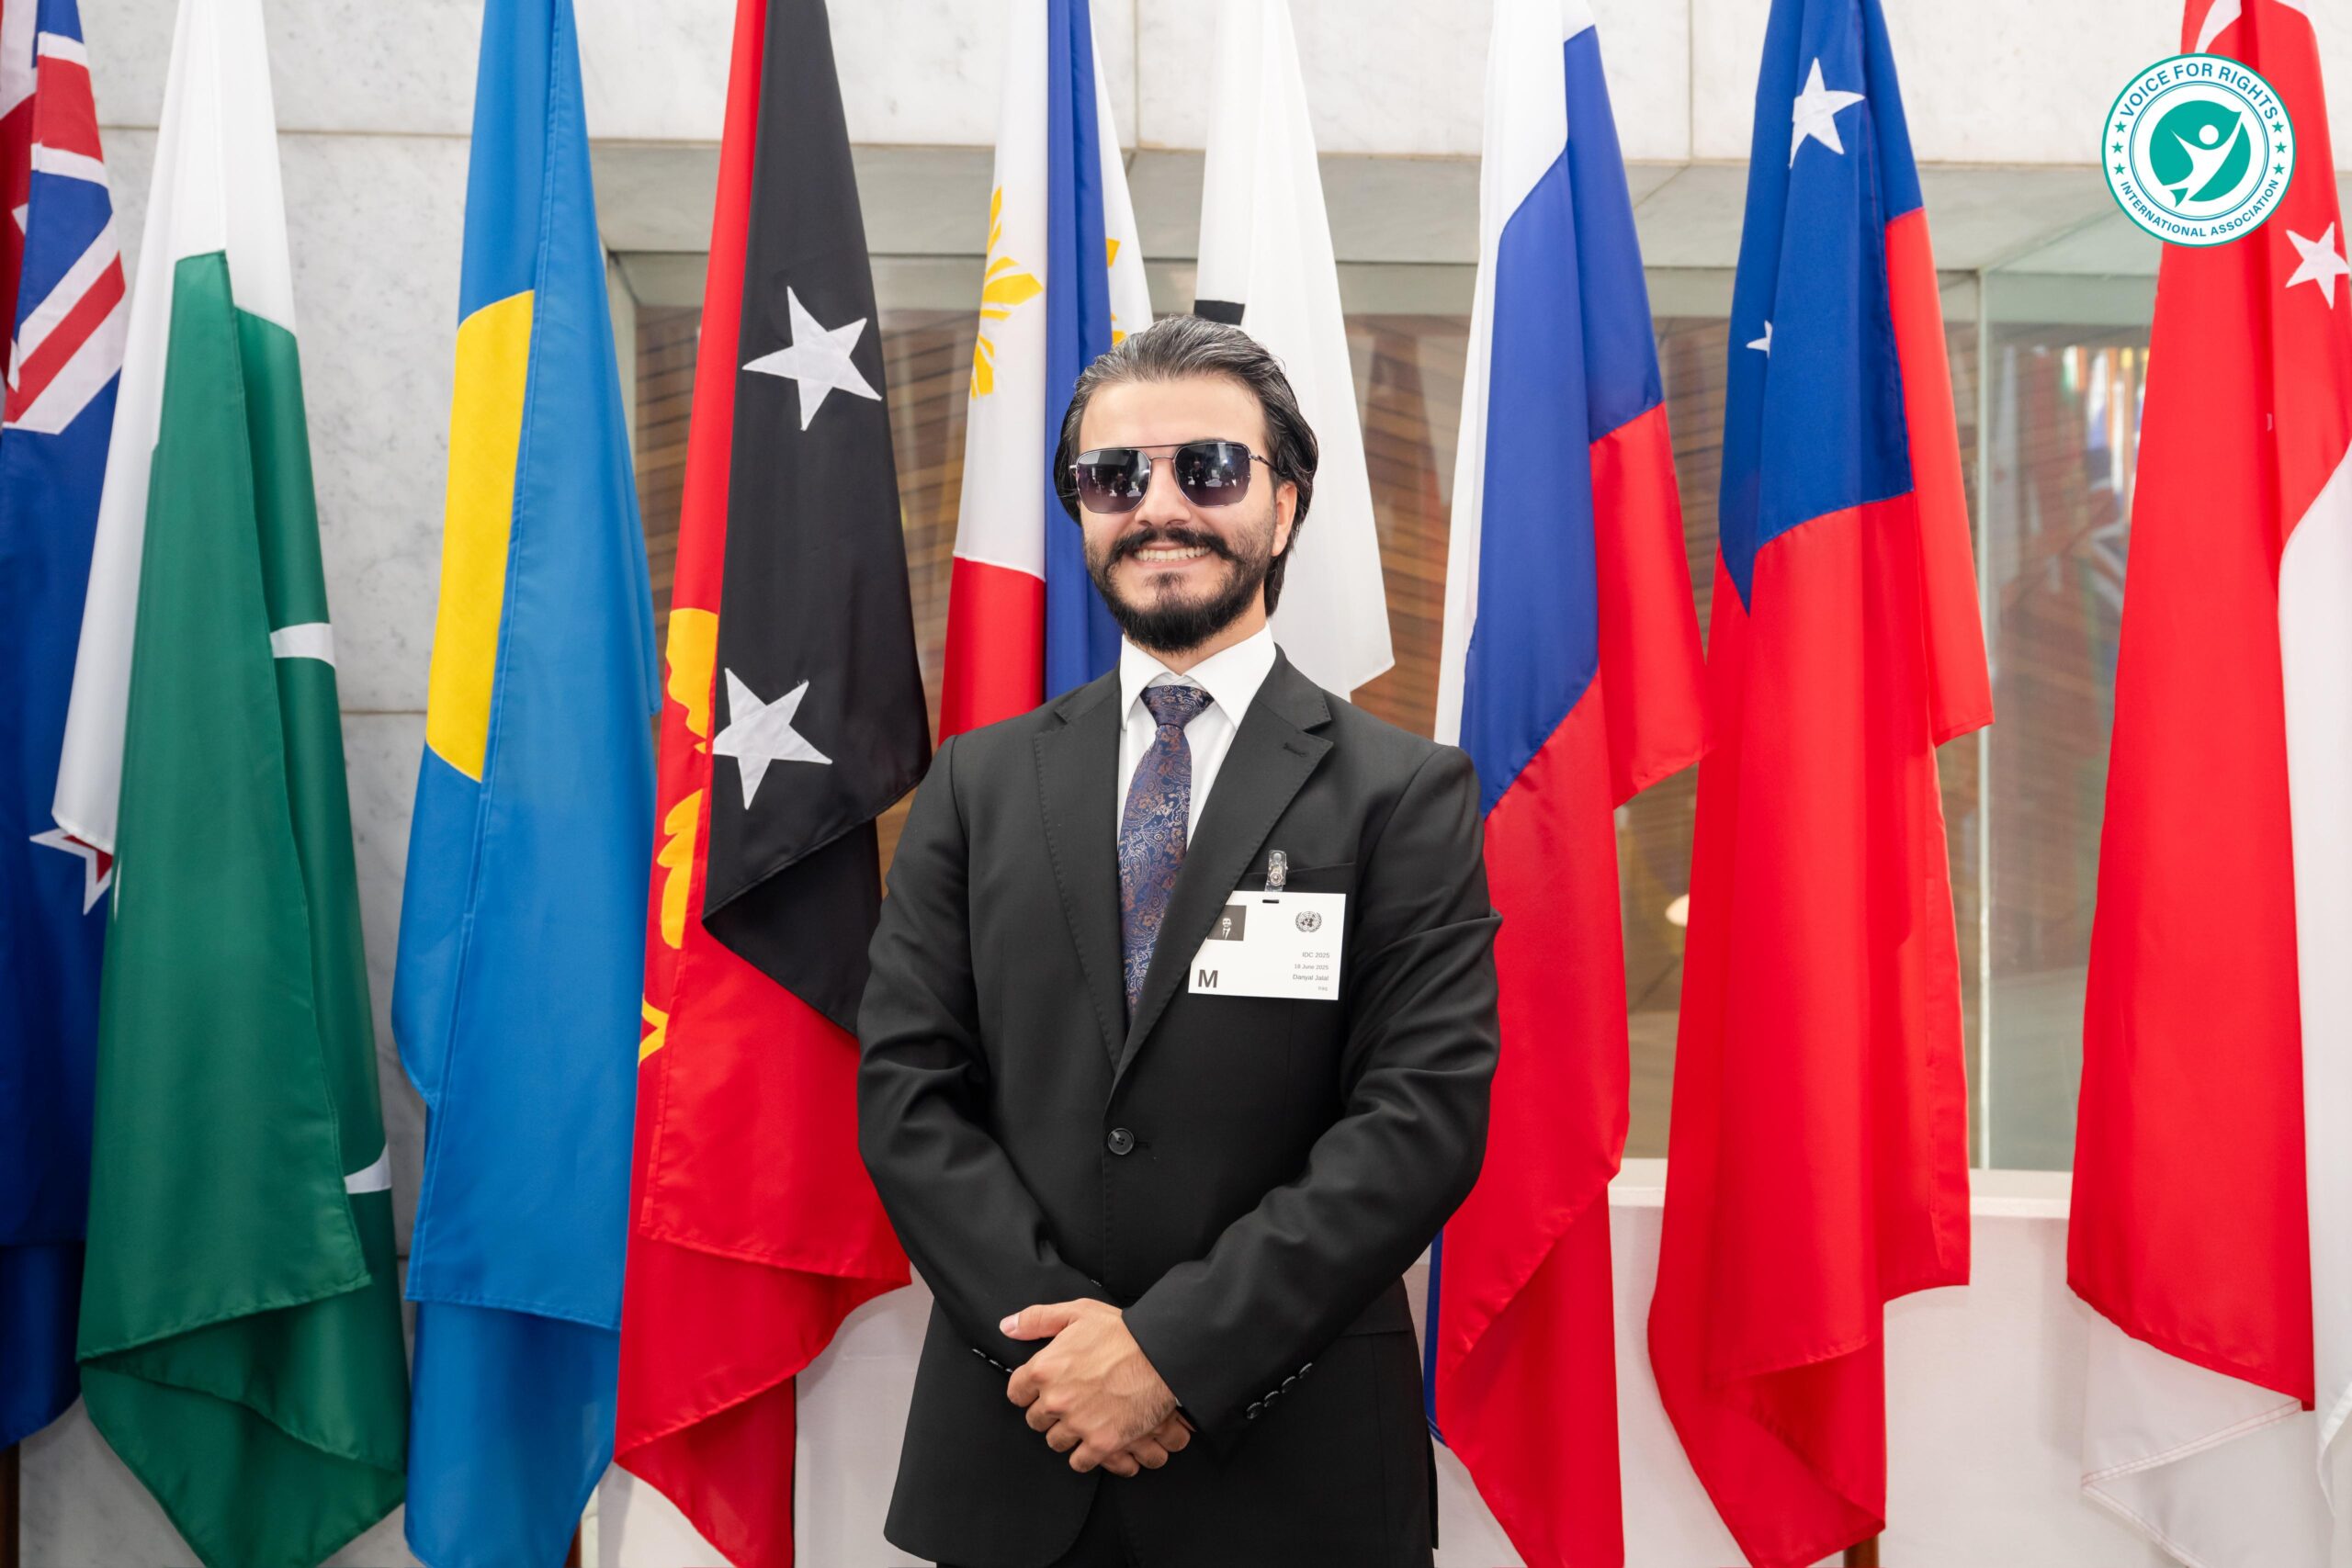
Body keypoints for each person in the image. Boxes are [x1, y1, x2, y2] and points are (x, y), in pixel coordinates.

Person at [858, 314, 1501, 1568]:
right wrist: (1067, 1357)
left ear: (1285, 501)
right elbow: (908, 1093)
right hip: (1020, 1448)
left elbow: (1419, 1119)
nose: (1158, 508)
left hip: (1294, 1469)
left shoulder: (1403, 795)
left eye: (1206, 469)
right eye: (1114, 477)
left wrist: (1169, 1355)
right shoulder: (977, 784)